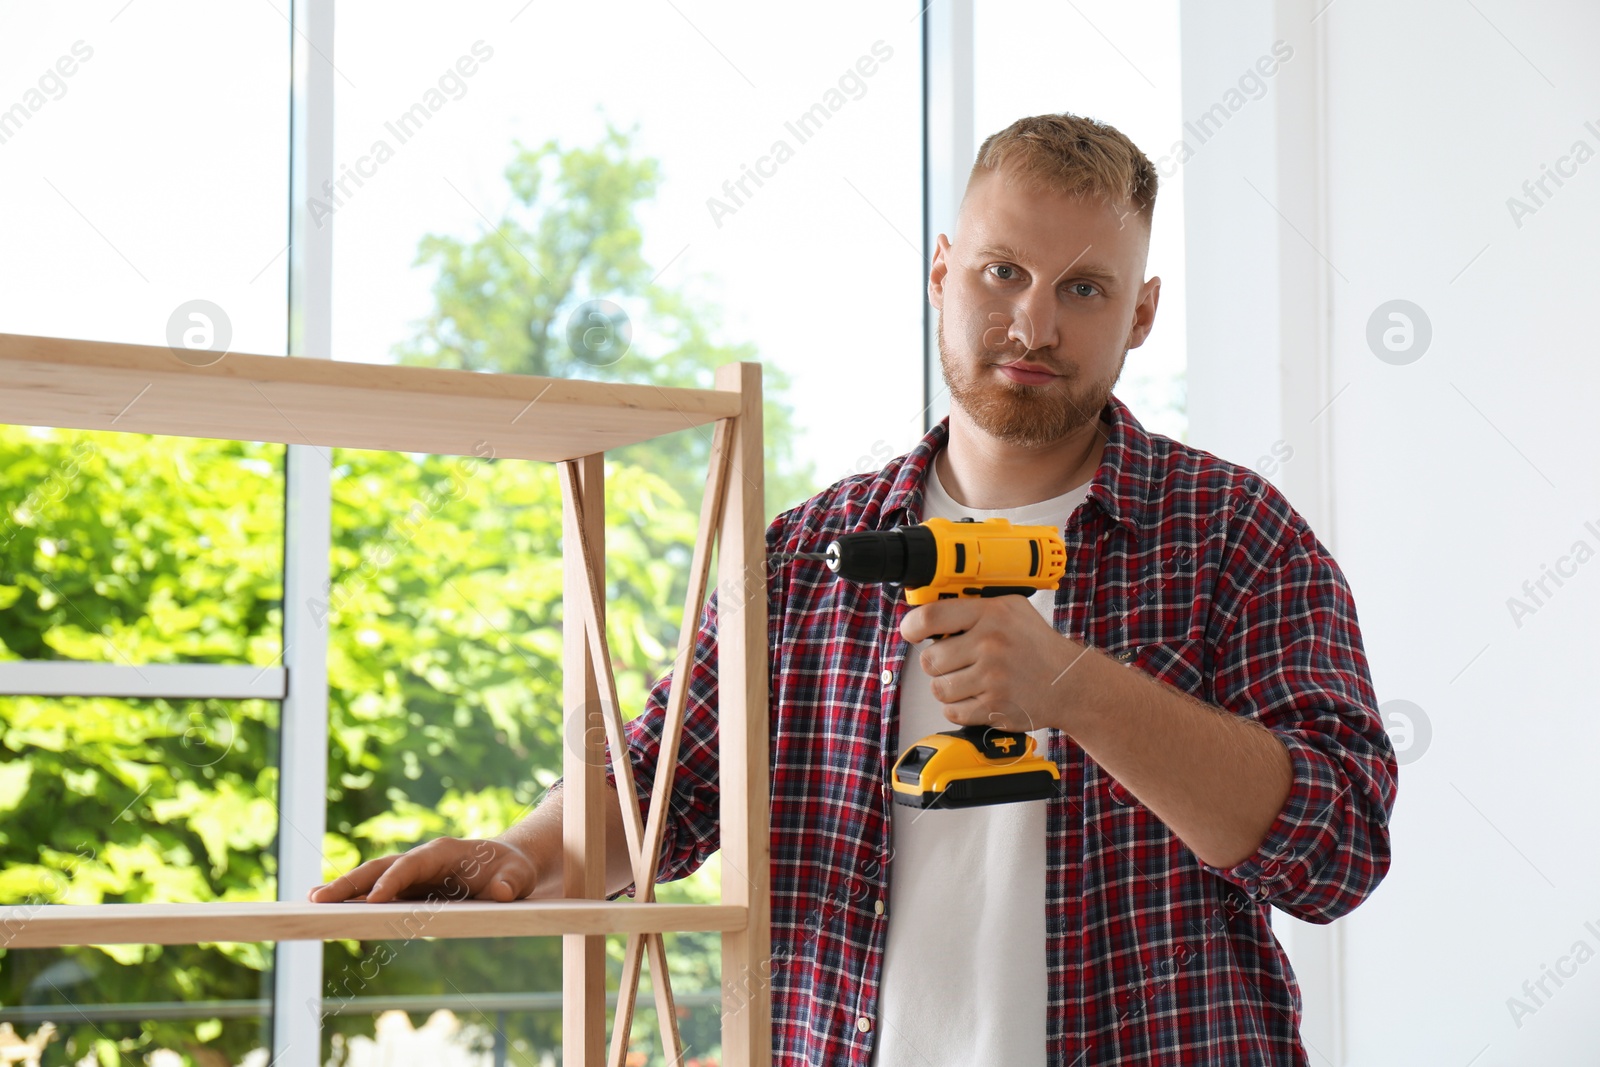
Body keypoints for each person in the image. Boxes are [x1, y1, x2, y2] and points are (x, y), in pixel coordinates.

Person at [311, 112, 1398, 1066]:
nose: (1032, 325)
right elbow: (661, 784)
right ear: (939, 270)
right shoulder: (808, 552)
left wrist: (1075, 688)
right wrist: (528, 850)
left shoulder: (1233, 536)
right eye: (1000, 271)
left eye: (1084, 287)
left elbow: (1338, 846)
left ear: (1143, 311)